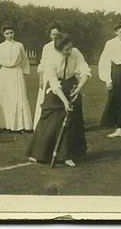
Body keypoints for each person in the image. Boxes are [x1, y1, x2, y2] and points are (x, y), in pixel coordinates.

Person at [26, 33, 91, 167]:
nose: (69, 51)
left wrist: (79, 87)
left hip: (72, 85)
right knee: (48, 118)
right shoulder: (51, 59)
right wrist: (65, 102)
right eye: (66, 50)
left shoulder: (76, 52)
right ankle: (39, 153)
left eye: (70, 48)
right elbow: (54, 83)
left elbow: (85, 70)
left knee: (72, 121)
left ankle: (68, 155)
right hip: (57, 89)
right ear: (58, 49)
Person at [0, 24, 33, 132]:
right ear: (3, 34)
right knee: (5, 97)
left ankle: (19, 125)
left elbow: (25, 59)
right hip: (4, 74)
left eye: (11, 33)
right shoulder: (0, 46)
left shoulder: (19, 45)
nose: (9, 35)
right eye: (7, 33)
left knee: (17, 97)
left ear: (14, 33)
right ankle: (4, 124)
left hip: (16, 73)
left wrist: (25, 71)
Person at [33, 22, 63, 128]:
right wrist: (41, 79)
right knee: (45, 99)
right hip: (47, 76)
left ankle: (57, 123)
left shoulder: (63, 46)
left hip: (59, 76)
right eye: (53, 34)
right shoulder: (47, 47)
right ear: (50, 35)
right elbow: (42, 63)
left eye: (57, 34)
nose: (55, 37)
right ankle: (42, 123)